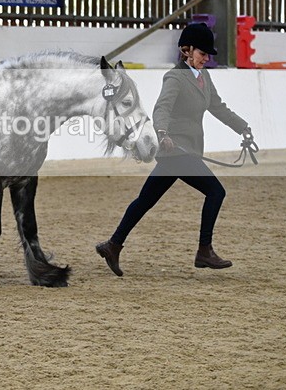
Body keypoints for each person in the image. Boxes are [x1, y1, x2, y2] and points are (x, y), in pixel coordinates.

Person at [96, 23, 253, 276]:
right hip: (176, 150)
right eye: (202, 53)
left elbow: (218, 107)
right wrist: (162, 132)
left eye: (208, 55)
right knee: (216, 192)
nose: (206, 59)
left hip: (184, 151)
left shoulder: (204, 77)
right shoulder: (174, 77)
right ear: (186, 51)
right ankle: (204, 251)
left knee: (145, 200)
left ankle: (112, 245)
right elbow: (162, 108)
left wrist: (242, 127)